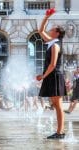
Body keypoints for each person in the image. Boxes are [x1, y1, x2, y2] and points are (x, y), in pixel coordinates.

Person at [36, 10, 66, 139]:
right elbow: (40, 30)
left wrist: (43, 76)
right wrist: (46, 17)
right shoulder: (52, 42)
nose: (50, 30)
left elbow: (53, 64)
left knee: (58, 105)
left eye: (53, 29)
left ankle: (60, 132)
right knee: (55, 105)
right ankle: (59, 131)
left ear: (57, 33)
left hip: (54, 75)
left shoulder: (55, 46)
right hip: (52, 76)